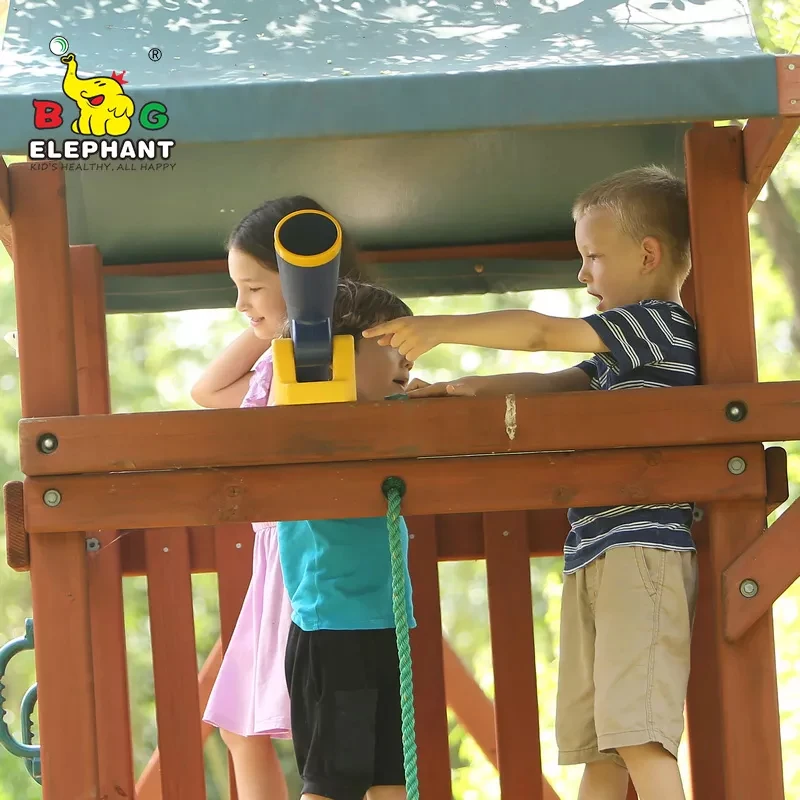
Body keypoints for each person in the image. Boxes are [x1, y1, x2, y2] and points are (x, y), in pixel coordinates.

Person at [363, 165, 699, 800]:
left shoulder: (656, 326)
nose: (583, 274)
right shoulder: (617, 356)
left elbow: (542, 334)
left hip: (642, 550)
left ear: (648, 255)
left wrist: (442, 327)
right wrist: (457, 390)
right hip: (599, 549)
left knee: (638, 736)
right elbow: (553, 384)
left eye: (593, 256)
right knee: (601, 748)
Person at [194, 196, 362, 800]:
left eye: (253, 288)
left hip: (310, 557)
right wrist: (269, 320)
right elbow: (206, 390)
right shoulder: (275, 362)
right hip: (278, 558)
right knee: (239, 724)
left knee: (319, 726)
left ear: (304, 281)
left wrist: (300, 309)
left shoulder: (333, 361)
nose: (241, 304)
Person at [277, 278, 415, 800]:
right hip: (333, 630)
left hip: (387, 623)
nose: (409, 361)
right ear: (335, 355)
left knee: (391, 782)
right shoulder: (304, 420)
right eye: (394, 345)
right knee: (332, 787)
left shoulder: (392, 423)